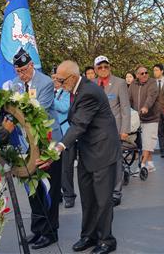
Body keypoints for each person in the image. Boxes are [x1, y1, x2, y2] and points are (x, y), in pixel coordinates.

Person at [47, 60, 120, 254]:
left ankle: (106, 240)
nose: (59, 84)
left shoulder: (89, 92)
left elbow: (79, 124)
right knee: (88, 198)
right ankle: (88, 236)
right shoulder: (76, 90)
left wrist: (60, 146)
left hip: (102, 151)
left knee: (103, 200)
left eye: (61, 80)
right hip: (88, 150)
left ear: (71, 78)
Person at [9, 48, 62, 250]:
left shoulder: (46, 82)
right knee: (33, 188)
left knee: (50, 188)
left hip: (48, 142)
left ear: (31, 66)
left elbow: (38, 109)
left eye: (23, 70)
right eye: (17, 71)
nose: (20, 75)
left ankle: (51, 231)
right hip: (27, 143)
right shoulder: (15, 84)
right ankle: (38, 228)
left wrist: (16, 108)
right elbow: (13, 111)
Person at [94, 55, 131, 207]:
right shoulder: (91, 84)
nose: (103, 69)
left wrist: (125, 130)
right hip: (97, 131)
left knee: (116, 162)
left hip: (115, 129)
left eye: (106, 66)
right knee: (100, 162)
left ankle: (116, 192)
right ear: (95, 69)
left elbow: (125, 108)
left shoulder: (120, 83)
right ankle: (103, 191)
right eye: (100, 67)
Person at [128, 65, 161, 172]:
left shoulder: (152, 83)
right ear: (137, 75)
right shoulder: (133, 84)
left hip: (151, 117)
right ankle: (150, 164)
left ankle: (141, 165)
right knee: (145, 143)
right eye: (142, 73)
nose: (145, 75)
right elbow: (128, 99)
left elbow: (151, 97)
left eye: (146, 72)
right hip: (138, 118)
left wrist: (146, 107)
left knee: (148, 142)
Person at [53, 73, 74, 208]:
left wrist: (50, 99)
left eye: (56, 79)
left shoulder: (66, 93)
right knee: (54, 167)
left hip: (66, 134)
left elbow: (64, 107)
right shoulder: (52, 93)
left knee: (66, 168)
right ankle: (57, 194)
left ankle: (69, 196)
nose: (53, 81)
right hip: (54, 135)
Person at [153, 63, 164, 158]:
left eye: (156, 70)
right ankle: (163, 150)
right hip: (156, 110)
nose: (155, 72)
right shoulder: (152, 83)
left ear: (161, 71)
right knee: (160, 131)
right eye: (154, 70)